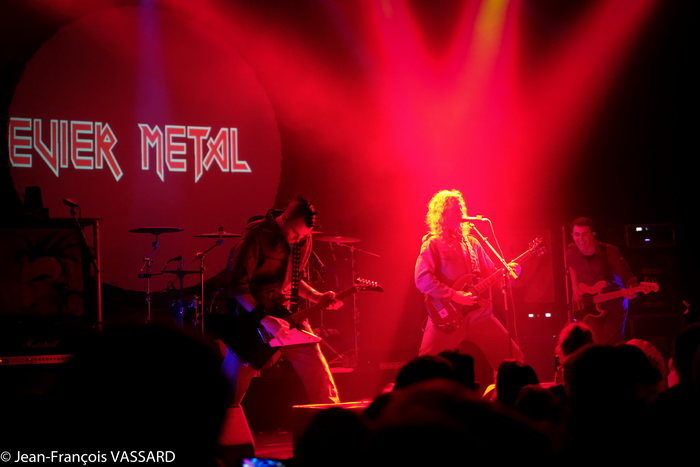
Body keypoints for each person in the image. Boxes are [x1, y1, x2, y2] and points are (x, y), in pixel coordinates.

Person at [221, 196, 342, 407]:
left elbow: (294, 279)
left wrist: (316, 296)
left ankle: (333, 418)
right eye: (295, 234)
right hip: (251, 320)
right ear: (284, 219)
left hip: (285, 316)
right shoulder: (256, 237)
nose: (298, 239)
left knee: (317, 368)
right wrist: (264, 319)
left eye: (304, 235)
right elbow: (237, 287)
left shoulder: (303, 239)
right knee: (229, 393)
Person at [414, 189, 524, 384]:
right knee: (426, 368)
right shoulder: (433, 243)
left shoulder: (473, 243)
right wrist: (455, 296)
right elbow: (422, 279)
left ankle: (504, 397)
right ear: (442, 214)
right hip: (447, 315)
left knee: (514, 360)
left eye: (460, 208)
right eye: (454, 209)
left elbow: (493, 274)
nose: (460, 212)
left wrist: (508, 274)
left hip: (479, 314)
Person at [566, 217, 640, 345]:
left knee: (610, 344)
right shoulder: (571, 253)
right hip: (591, 306)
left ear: (593, 234)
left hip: (614, 304)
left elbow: (627, 276)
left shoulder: (609, 251)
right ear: (572, 235)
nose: (580, 239)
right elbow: (571, 266)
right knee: (594, 344)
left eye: (585, 234)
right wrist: (574, 287)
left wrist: (633, 290)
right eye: (577, 234)